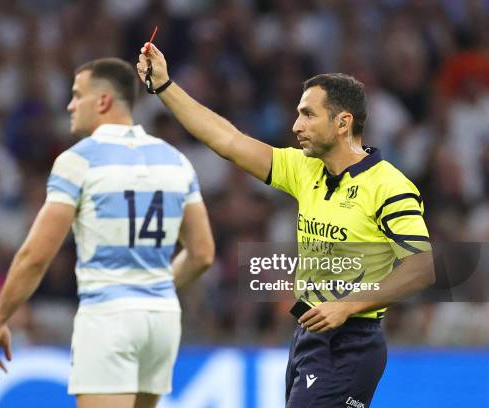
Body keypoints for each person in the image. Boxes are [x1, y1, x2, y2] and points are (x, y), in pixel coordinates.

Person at [137, 44, 434, 407]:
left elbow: (421, 267)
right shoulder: (304, 169)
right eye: (297, 114)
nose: (296, 125)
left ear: (343, 123)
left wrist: (347, 306)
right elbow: (227, 141)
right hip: (308, 337)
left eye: (308, 115)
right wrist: (165, 86)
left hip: (350, 344)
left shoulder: (389, 186)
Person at [0, 57, 215, 408]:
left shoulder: (79, 160)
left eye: (77, 95)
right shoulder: (176, 161)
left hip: (109, 317)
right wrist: (156, 285)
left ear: (103, 101)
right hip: (162, 320)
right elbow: (202, 253)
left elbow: (35, 255)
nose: (69, 104)